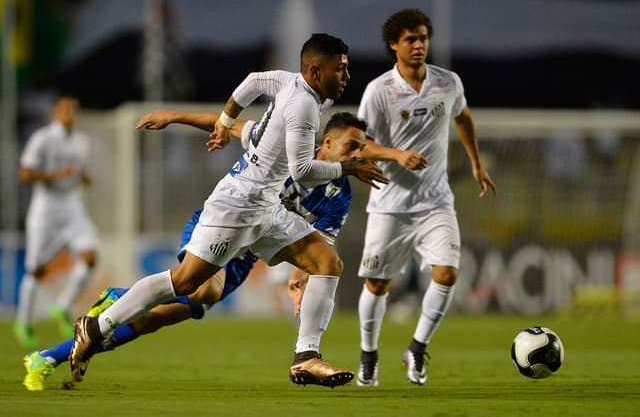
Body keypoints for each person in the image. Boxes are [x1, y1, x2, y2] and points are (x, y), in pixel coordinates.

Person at [69, 33, 389, 388]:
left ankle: (306, 357)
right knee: (186, 282)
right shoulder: (305, 107)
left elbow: (252, 81)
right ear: (315, 71)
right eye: (339, 70)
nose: (346, 77)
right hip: (239, 205)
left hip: (266, 205)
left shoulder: (288, 82)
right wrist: (350, 168)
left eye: (346, 69)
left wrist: (225, 120)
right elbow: (302, 171)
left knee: (327, 262)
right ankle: (96, 326)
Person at [23, 110, 368, 391]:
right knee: (202, 289)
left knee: (154, 319)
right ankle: (117, 296)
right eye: (352, 146)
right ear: (327, 141)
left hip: (245, 256)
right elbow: (228, 124)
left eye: (361, 151)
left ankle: (47, 358)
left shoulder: (340, 196)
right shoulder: (290, 146)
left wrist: (299, 282)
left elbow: (317, 248)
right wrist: (173, 117)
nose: (357, 157)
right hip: (218, 224)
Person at [354, 8, 496, 387]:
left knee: (447, 273)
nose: (419, 46)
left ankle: (416, 349)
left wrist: (476, 163)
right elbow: (359, 143)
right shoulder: (379, 91)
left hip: (436, 202)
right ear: (393, 45)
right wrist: (395, 154)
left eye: (423, 38)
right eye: (410, 40)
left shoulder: (447, 83)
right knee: (377, 286)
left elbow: (462, 116)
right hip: (391, 205)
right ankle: (369, 356)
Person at [14, 95, 99, 348]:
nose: (70, 114)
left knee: (90, 256)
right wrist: (53, 174)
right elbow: (25, 174)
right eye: (65, 110)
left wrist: (83, 177)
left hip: (71, 206)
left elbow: (78, 169)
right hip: (46, 209)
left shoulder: (81, 141)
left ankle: (61, 307)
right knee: (36, 270)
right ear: (55, 113)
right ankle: (23, 322)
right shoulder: (42, 139)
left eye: (73, 110)